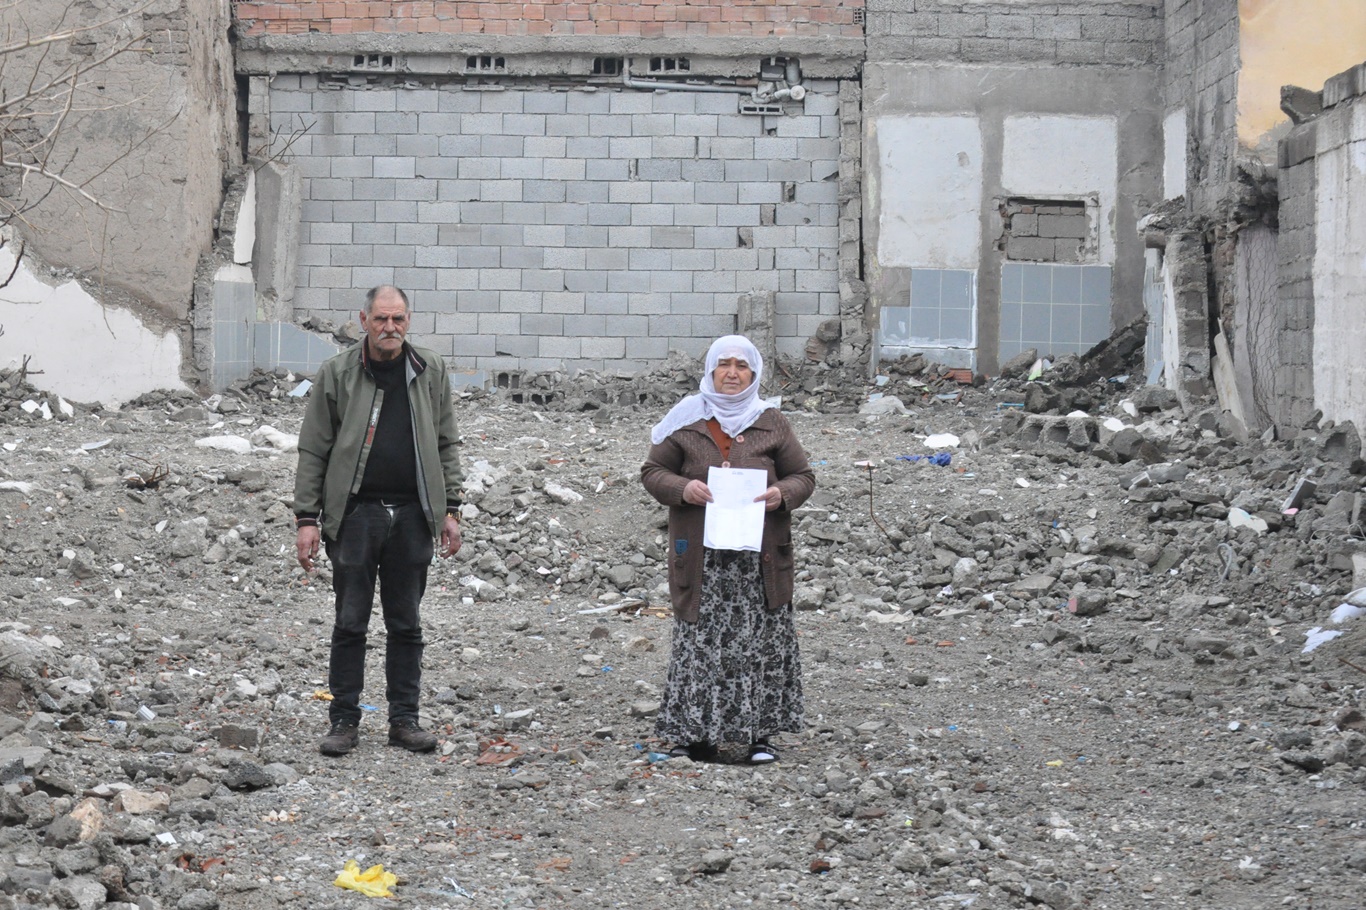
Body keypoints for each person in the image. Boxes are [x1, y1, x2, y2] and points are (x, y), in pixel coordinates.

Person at [294, 285, 464, 756]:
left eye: (399, 320)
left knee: (406, 623)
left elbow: (447, 442)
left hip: (414, 513)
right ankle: (344, 721)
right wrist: (307, 518)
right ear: (363, 319)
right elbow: (314, 449)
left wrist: (451, 508)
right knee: (350, 621)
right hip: (355, 515)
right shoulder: (338, 373)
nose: (390, 328)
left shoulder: (429, 370)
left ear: (409, 321)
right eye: (381, 319)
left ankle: (404, 721)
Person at [640, 335, 815, 764]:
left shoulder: (771, 422)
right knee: (700, 644)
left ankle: (758, 738)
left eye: (742, 366)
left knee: (757, 645)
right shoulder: (687, 420)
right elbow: (652, 472)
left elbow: (804, 476)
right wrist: (684, 488)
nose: (732, 373)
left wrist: (780, 494)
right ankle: (695, 737)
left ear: (754, 374)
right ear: (711, 371)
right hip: (704, 560)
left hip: (759, 562)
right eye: (724, 365)